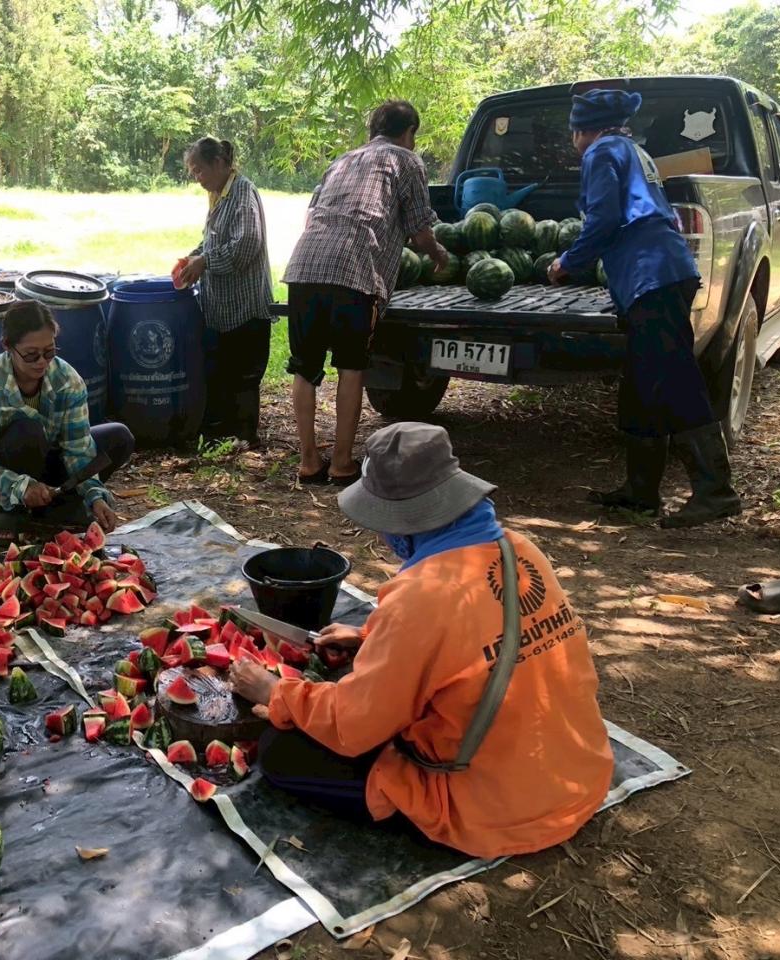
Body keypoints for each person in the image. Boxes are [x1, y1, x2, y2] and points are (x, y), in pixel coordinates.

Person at [230, 422, 614, 859]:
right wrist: (369, 637)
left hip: (497, 808)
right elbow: (480, 632)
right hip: (576, 775)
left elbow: (353, 727)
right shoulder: (520, 548)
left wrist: (277, 691)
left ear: (406, 523)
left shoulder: (421, 597)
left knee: (280, 751)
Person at [549, 88, 740, 528]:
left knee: (674, 380)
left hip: (652, 275)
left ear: (584, 129)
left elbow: (604, 218)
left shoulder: (601, 152)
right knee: (641, 383)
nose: (573, 142)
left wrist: (568, 262)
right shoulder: (634, 150)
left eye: (573, 133)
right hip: (659, 274)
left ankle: (716, 490)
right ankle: (640, 493)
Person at [282, 100, 448, 485]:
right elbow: (422, 230)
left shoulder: (341, 161)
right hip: (355, 270)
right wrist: (439, 256)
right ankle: (341, 463)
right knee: (351, 366)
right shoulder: (407, 161)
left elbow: (311, 216)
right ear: (409, 133)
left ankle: (308, 462)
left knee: (304, 367)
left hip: (305, 265)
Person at [0, 300, 134, 536]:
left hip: (51, 460)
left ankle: (58, 502)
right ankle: (16, 510)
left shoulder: (68, 381)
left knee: (119, 437)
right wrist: (20, 487)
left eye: (49, 352)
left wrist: (95, 496)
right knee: (26, 431)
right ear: (8, 347)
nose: (42, 362)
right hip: (5, 470)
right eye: (31, 355)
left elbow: (78, 450)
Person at [175, 136, 275, 446]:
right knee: (221, 373)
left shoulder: (242, 192)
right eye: (193, 172)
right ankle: (221, 435)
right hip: (222, 309)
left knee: (244, 376)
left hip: (244, 307)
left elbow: (245, 247)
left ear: (219, 164)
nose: (197, 178)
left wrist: (204, 262)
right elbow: (213, 241)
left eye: (199, 170)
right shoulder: (220, 195)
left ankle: (245, 438)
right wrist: (194, 257)